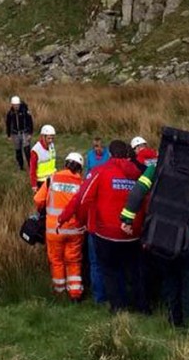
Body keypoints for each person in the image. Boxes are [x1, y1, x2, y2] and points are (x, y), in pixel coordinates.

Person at [60, 139, 148, 314]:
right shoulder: (139, 174)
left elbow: (82, 198)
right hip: (133, 233)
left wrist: (71, 218)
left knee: (110, 270)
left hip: (106, 233)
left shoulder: (100, 172)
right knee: (133, 271)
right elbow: (146, 201)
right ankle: (141, 307)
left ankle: (118, 308)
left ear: (109, 154)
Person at [120, 153, 189, 327]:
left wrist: (127, 219)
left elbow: (138, 191)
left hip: (163, 234)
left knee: (170, 278)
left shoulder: (157, 168)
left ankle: (174, 321)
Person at [34, 152, 86, 301]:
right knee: (74, 261)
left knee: (56, 261)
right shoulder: (81, 184)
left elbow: (38, 200)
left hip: (54, 229)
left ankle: (60, 292)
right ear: (80, 168)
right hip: (75, 230)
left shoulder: (52, 179)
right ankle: (75, 294)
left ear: (66, 164)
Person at [5, 96, 34, 171]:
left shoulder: (25, 111)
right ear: (12, 105)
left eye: (17, 105)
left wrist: (30, 133)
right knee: (18, 151)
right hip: (15, 134)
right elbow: (8, 124)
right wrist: (8, 135)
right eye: (14, 105)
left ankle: (30, 166)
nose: (16, 106)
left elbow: (30, 122)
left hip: (25, 133)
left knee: (27, 150)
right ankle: (20, 166)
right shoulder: (10, 113)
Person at [28, 125, 57, 189]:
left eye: (52, 138)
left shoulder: (51, 146)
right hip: (41, 182)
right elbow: (32, 170)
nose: (51, 141)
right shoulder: (35, 150)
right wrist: (34, 185)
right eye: (49, 138)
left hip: (52, 178)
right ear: (43, 137)